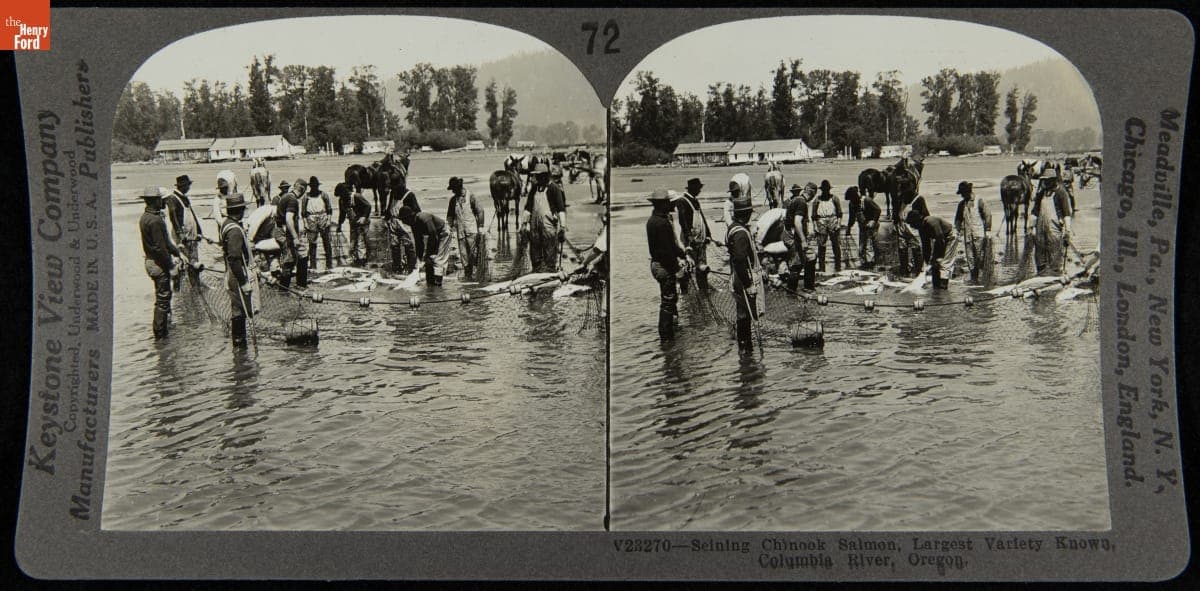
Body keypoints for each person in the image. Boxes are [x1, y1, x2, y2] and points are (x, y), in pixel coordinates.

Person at [139, 186, 183, 339]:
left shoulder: (145, 217)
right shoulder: (155, 220)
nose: (163, 202)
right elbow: (161, 248)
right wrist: (171, 266)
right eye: (161, 200)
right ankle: (160, 337)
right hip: (158, 264)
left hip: (150, 262)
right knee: (163, 300)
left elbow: (166, 244)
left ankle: (162, 333)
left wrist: (178, 253)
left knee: (161, 298)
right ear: (155, 201)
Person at [646, 188, 688, 339]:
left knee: (668, 300)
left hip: (657, 264)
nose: (672, 205)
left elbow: (670, 248)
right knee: (668, 301)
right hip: (663, 266)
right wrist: (677, 269)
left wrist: (683, 254)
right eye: (670, 202)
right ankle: (666, 337)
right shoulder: (662, 223)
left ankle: (669, 335)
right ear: (663, 204)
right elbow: (667, 252)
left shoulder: (652, 220)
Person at [726, 194, 761, 353]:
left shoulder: (733, 227)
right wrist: (748, 285)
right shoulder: (740, 233)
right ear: (746, 214)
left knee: (743, 313)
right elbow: (740, 260)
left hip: (738, 276)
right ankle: (746, 348)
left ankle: (745, 354)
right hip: (742, 278)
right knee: (745, 314)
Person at [219, 193, 255, 349]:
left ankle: (239, 353)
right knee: (240, 309)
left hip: (232, 272)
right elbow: (234, 258)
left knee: (237, 308)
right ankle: (240, 345)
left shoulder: (226, 223)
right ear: (239, 210)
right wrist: (244, 282)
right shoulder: (235, 230)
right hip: (237, 273)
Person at [520, 163, 568, 273]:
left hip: (548, 227)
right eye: (536, 175)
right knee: (535, 252)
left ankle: (550, 271)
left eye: (539, 175)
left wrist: (562, 227)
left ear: (545, 175)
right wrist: (524, 224)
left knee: (550, 252)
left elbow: (561, 209)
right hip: (534, 227)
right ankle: (536, 270)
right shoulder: (534, 188)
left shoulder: (554, 188)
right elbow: (528, 208)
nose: (536, 178)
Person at [164, 174, 204, 291]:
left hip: (192, 235)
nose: (189, 187)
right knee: (182, 262)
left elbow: (192, 215)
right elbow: (173, 218)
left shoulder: (185, 198)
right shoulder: (173, 199)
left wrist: (199, 231)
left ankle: (195, 285)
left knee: (194, 261)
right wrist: (180, 234)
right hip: (183, 237)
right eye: (188, 185)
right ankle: (179, 288)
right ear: (182, 186)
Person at [1032, 172, 1074, 275]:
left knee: (1055, 252)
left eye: (1047, 180)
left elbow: (1066, 213)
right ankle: (1041, 273)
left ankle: (1056, 273)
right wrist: (1031, 227)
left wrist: (1067, 231)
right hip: (1040, 228)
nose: (1045, 182)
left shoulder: (1061, 193)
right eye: (1044, 180)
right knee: (1040, 253)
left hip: (1054, 228)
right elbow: (1035, 212)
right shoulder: (1041, 193)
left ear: (1053, 180)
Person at [398, 206, 451, 286]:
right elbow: (419, 242)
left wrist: (429, 254)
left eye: (403, 220)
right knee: (428, 260)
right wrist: (419, 259)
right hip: (434, 236)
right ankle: (430, 284)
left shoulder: (424, 218)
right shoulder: (413, 224)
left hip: (443, 232)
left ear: (409, 217)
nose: (403, 222)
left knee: (438, 259)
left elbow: (433, 235)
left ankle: (437, 284)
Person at [445, 176, 486, 279]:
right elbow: (450, 216)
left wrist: (480, 227)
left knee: (474, 255)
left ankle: (476, 276)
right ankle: (468, 276)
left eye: (454, 189)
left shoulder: (470, 196)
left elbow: (480, 211)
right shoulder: (453, 200)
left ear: (459, 188)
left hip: (472, 231)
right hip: (461, 233)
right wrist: (449, 227)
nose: (453, 191)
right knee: (464, 257)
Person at [907, 209, 958, 290]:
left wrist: (937, 257)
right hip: (940, 240)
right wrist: (926, 264)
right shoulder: (921, 229)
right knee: (934, 264)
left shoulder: (931, 222)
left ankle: (943, 287)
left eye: (912, 224)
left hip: (950, 236)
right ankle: (936, 288)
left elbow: (940, 240)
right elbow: (926, 247)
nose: (912, 227)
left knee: (944, 263)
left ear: (918, 221)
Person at [675, 177, 712, 291]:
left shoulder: (695, 201)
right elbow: (683, 221)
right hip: (690, 241)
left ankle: (703, 288)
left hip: (700, 240)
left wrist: (708, 234)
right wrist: (689, 238)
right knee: (689, 266)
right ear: (692, 189)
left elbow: (702, 218)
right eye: (698, 188)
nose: (700, 190)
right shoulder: (682, 201)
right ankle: (686, 291)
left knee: (702, 266)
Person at [953, 181, 993, 283]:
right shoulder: (961, 205)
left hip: (979, 234)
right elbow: (958, 219)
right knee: (970, 258)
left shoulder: (979, 201)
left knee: (980, 257)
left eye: (963, 193)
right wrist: (957, 231)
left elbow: (988, 215)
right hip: (968, 236)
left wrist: (988, 229)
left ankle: (982, 278)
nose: (962, 196)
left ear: (968, 192)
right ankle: (973, 278)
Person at [272, 178, 307, 288]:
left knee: (300, 256)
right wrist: (295, 238)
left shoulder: (287, 196)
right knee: (289, 260)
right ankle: (284, 290)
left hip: (282, 230)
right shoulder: (292, 200)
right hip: (285, 233)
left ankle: (299, 285)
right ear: (302, 189)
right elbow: (288, 219)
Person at [384, 176, 420, 273]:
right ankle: (397, 267)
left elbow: (417, 211)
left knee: (408, 245)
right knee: (394, 245)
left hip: (405, 223)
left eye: (395, 188)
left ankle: (411, 267)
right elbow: (389, 207)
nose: (394, 190)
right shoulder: (393, 193)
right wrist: (386, 219)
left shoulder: (409, 195)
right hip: (393, 222)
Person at [784, 183, 815, 290]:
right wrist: (803, 240)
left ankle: (804, 288)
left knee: (805, 260)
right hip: (794, 237)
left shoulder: (795, 200)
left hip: (790, 235)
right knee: (798, 264)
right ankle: (794, 291)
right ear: (812, 193)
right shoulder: (802, 203)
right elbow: (797, 222)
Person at [301, 176, 334, 271]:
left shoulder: (323, 195)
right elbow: (303, 212)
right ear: (310, 186)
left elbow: (329, 209)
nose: (314, 188)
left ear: (318, 186)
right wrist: (305, 223)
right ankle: (313, 265)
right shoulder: (306, 196)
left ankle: (329, 264)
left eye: (316, 186)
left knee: (326, 242)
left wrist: (329, 220)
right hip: (311, 219)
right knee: (312, 243)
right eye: (313, 186)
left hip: (323, 217)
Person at [809, 180, 843, 272]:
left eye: (827, 189)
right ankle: (821, 267)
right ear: (822, 190)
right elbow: (813, 215)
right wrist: (815, 226)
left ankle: (838, 266)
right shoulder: (817, 200)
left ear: (829, 189)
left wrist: (838, 224)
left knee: (836, 244)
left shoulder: (834, 198)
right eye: (824, 189)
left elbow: (839, 213)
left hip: (833, 220)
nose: (826, 191)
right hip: (821, 221)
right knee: (821, 245)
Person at [337, 184, 373, 267]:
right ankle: (357, 259)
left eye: (342, 194)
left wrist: (364, 217)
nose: (341, 197)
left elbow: (368, 206)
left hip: (362, 223)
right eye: (340, 195)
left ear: (346, 192)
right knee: (353, 241)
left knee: (361, 241)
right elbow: (342, 214)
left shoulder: (356, 196)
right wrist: (339, 224)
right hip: (353, 223)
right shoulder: (341, 201)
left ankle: (362, 260)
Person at [857, 190, 882, 269]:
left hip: (871, 225)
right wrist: (849, 227)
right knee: (861, 246)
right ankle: (864, 263)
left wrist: (873, 221)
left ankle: (872, 263)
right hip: (862, 226)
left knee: (870, 245)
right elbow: (852, 216)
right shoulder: (852, 204)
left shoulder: (867, 200)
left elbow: (878, 210)